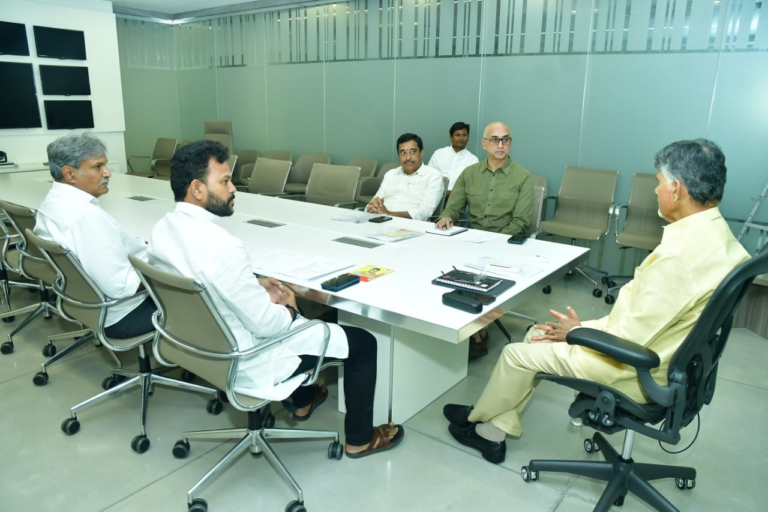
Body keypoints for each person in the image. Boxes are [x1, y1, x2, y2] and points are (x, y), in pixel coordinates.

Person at [442, 139, 750, 464]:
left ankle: (480, 423)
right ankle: (492, 425)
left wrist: (575, 333)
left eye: (658, 183)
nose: (655, 191)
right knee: (537, 333)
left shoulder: (677, 257)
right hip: (672, 362)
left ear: (676, 190)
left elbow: (629, 339)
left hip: (635, 370)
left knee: (516, 353)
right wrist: (577, 328)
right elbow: (646, 321)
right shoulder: (722, 239)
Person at [148, 140, 404, 458]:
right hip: (250, 359)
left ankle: (302, 401)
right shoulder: (222, 246)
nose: (233, 188)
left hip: (199, 347)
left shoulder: (162, 230)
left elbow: (210, 286)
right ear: (198, 189)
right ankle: (360, 439)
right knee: (363, 343)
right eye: (225, 181)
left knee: (310, 322)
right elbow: (268, 326)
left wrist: (254, 286)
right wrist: (291, 310)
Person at [34, 132, 156, 339]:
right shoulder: (85, 218)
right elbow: (121, 287)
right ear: (70, 174)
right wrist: (164, 267)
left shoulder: (51, 204)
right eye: (98, 166)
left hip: (85, 305)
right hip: (125, 314)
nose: (108, 173)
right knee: (212, 294)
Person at [435, 121, 534, 358]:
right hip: (470, 241)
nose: (500, 145)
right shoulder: (469, 174)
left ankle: (479, 332)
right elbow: (453, 208)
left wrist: (492, 243)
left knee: (482, 273)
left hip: (505, 245)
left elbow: (521, 222)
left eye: (505, 139)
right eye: (494, 140)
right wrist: (446, 217)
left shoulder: (523, 177)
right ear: (484, 143)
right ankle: (454, 323)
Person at [366, 133, 444, 221]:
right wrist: (373, 207)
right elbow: (371, 205)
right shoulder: (390, 174)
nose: (407, 157)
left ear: (421, 153)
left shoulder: (433, 176)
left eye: (413, 152)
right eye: (403, 152)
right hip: (379, 221)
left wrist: (388, 214)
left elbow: (424, 212)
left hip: (410, 227)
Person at [427, 121, 479, 195]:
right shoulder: (438, 154)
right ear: (451, 137)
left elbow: (471, 186)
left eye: (464, 135)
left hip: (459, 199)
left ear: (468, 138)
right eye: (457, 135)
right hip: (435, 195)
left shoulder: (473, 160)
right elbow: (428, 176)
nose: (461, 138)